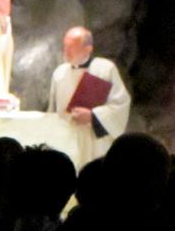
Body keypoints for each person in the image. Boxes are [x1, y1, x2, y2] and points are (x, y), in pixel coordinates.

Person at [48, 26, 132, 163]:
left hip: (95, 143)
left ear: (88, 48)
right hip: (67, 141)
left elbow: (121, 104)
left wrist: (93, 116)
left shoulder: (105, 69)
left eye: (72, 47)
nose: (66, 51)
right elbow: (52, 110)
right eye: (65, 46)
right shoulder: (59, 73)